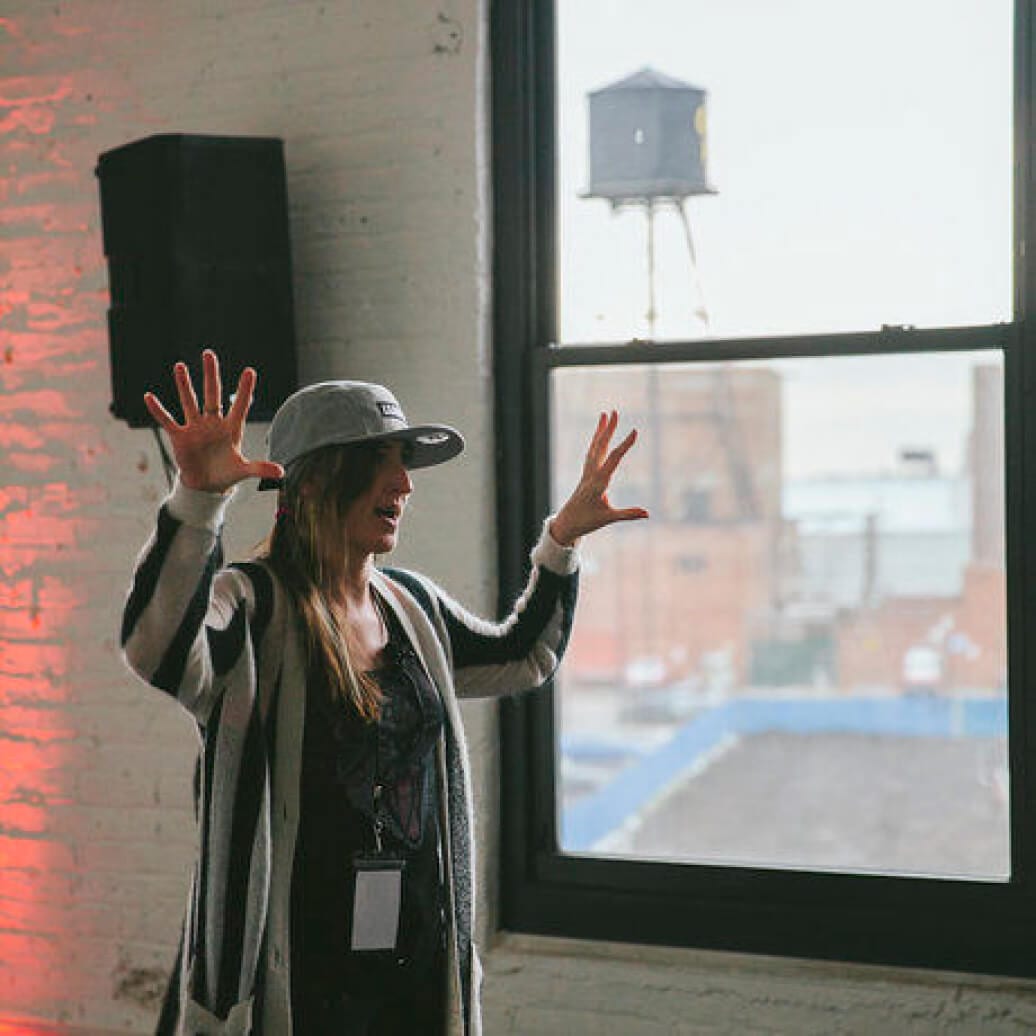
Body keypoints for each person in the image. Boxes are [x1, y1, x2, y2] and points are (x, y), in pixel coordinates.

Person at [121, 349, 648, 1036]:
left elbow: (522, 658)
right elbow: (156, 651)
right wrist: (198, 503)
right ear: (312, 482)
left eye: (405, 462)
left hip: (411, 965)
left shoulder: (412, 608)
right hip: (293, 975)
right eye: (380, 460)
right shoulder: (253, 606)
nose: (403, 482)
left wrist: (561, 542)